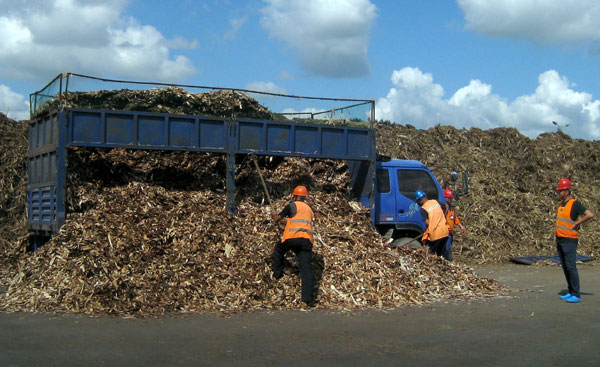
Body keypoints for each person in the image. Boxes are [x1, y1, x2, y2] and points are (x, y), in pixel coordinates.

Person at [271, 185, 315, 307]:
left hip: (291, 238)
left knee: (279, 249)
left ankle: (277, 274)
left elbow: (277, 219)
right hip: (306, 241)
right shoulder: (309, 210)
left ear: (294, 196)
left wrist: (274, 215)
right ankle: (307, 299)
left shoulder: (292, 206)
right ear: (305, 197)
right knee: (306, 269)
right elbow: (298, 220)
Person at [554, 178, 594, 303]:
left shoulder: (574, 204)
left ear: (566, 191)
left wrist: (577, 223)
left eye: (560, 191)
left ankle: (576, 294)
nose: (558, 193)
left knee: (571, 266)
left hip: (569, 240)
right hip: (560, 239)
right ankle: (570, 290)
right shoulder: (561, 205)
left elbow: (589, 214)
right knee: (565, 266)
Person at [414, 190, 449, 258]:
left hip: (436, 234)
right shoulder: (435, 201)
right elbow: (446, 206)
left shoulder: (424, 208)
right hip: (445, 232)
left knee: (431, 254)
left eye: (418, 201)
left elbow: (427, 222)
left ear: (420, 200)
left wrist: (431, 225)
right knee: (442, 254)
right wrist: (443, 217)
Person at [442, 189, 467, 261]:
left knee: (449, 249)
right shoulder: (443, 208)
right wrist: (446, 210)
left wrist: (461, 226)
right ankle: (447, 262)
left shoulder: (451, 208)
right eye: (448, 198)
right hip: (445, 233)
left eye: (450, 198)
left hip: (450, 233)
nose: (450, 200)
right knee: (446, 251)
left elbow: (455, 218)